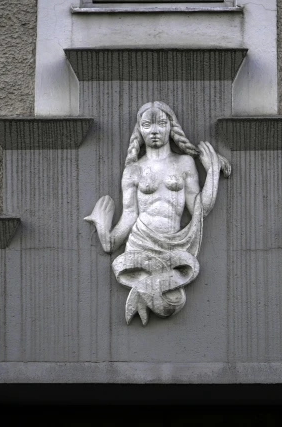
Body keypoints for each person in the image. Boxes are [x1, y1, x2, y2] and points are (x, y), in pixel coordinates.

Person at [85, 101, 230, 324]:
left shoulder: (185, 163)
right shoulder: (133, 170)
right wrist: (109, 239)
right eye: (146, 125)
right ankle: (106, 235)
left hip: (176, 243)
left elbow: (201, 209)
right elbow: (130, 215)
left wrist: (212, 173)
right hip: (140, 242)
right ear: (139, 130)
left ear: (171, 128)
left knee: (174, 289)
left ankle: (148, 296)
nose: (154, 131)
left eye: (161, 124)